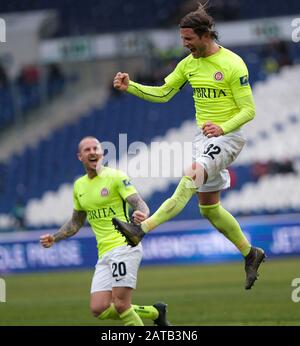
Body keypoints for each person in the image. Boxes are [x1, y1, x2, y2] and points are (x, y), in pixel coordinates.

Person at [112, 4, 265, 290]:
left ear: (205, 34)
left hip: (228, 138)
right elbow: (163, 94)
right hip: (203, 140)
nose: (184, 44)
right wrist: (131, 86)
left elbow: (249, 110)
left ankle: (140, 230)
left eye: (188, 39)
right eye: (182, 39)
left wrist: (222, 127)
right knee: (209, 209)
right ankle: (250, 253)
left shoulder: (233, 64)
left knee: (190, 175)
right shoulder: (188, 64)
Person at [40, 136, 170, 326]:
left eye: (96, 148)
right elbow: (76, 222)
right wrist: (55, 237)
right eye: (87, 150)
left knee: (121, 305)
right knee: (99, 308)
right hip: (104, 253)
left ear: (102, 153)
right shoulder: (79, 186)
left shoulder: (116, 177)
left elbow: (138, 202)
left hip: (124, 245)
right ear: (80, 157)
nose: (93, 152)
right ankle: (154, 313)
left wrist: (143, 214)